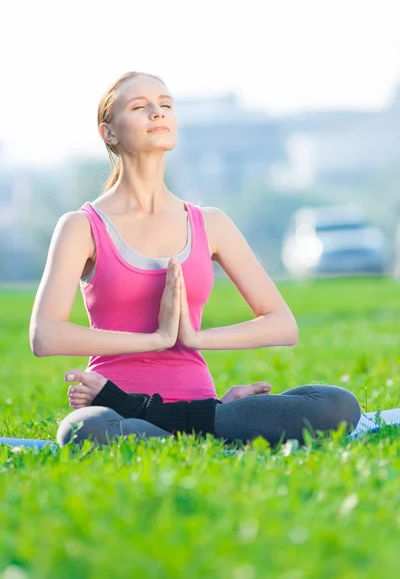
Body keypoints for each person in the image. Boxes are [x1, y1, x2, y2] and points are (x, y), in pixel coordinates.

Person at [29, 71, 361, 449]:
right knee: (83, 430)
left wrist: (194, 337)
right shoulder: (81, 226)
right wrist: (157, 339)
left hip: (194, 402)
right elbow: (45, 335)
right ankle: (205, 426)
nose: (158, 113)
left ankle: (168, 422)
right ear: (109, 133)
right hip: (114, 405)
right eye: (140, 107)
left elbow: (283, 325)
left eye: (166, 105)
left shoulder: (211, 223)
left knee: (337, 405)